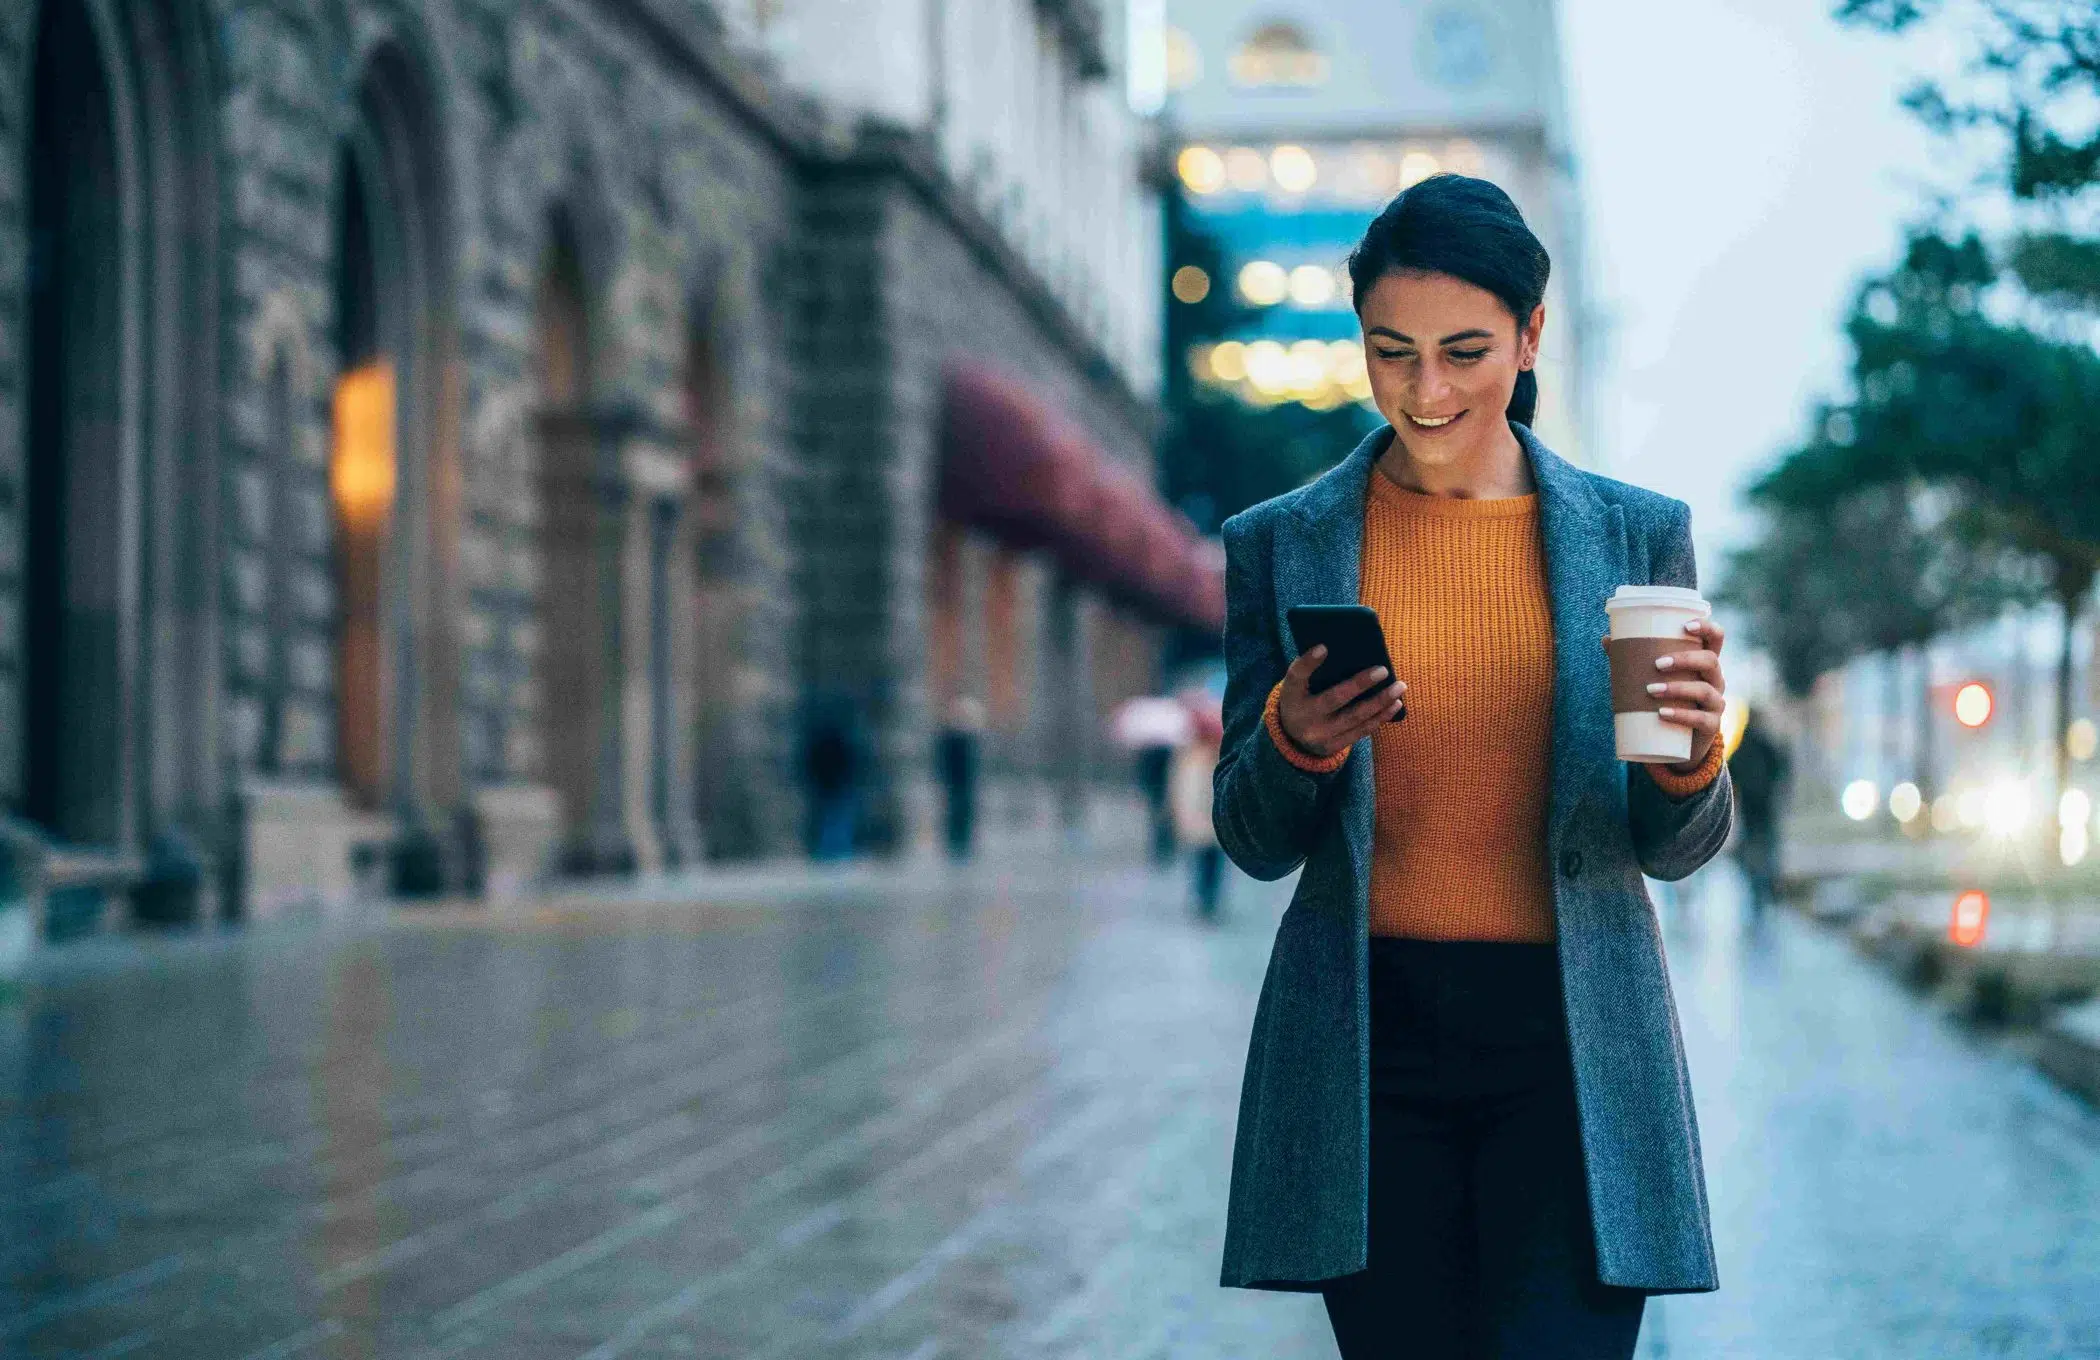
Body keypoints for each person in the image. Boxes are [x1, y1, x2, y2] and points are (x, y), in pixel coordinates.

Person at [1211, 175, 1734, 1359]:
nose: (1426, 391)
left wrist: (1693, 760)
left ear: (1530, 335)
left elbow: (1676, 849)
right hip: (1367, 1049)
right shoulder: (1281, 542)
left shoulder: (1636, 534)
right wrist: (1296, 740)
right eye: (1391, 352)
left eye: (1464, 352)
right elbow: (1251, 838)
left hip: (1577, 1050)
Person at [1728, 710, 1789, 914]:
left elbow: (1731, 775)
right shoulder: (1766, 745)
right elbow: (1780, 770)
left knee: (1753, 851)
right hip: (1766, 808)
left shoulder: (1742, 747)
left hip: (1750, 810)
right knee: (1768, 849)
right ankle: (1767, 889)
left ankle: (1758, 889)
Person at [1170, 693, 1226, 918]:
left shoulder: (1218, 754)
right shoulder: (1188, 755)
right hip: (1199, 818)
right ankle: (1204, 897)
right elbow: (1180, 787)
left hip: (1214, 819)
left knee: (1211, 861)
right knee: (1203, 860)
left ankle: (1208, 898)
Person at [935, 696, 987, 862]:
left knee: (962, 814)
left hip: (963, 784)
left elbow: (970, 765)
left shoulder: (965, 739)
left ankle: (961, 845)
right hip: (956, 784)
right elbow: (944, 762)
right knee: (955, 813)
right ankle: (956, 845)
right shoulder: (951, 738)